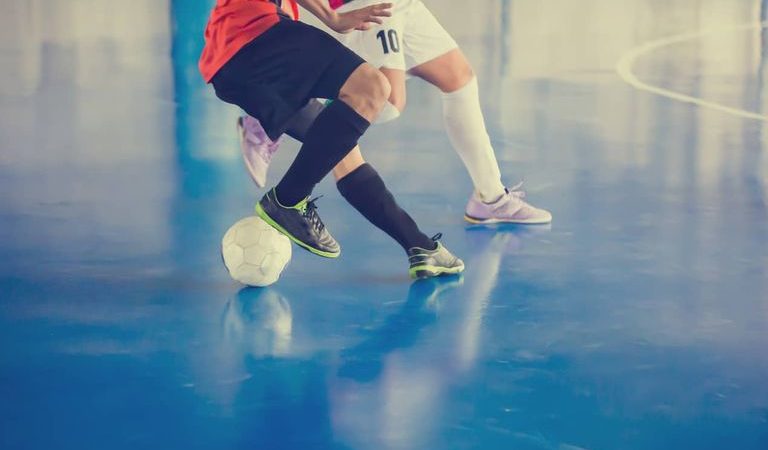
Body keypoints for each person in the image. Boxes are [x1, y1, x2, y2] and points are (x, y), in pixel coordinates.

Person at [200, 0, 463, 278]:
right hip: (254, 34)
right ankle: (287, 199)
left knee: (341, 151)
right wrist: (331, 17)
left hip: (232, 67)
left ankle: (420, 247)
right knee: (371, 88)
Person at [239, 0, 553, 226]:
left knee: (459, 78)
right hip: (362, 5)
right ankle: (275, 113)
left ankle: (490, 197)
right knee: (385, 102)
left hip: (405, 5)